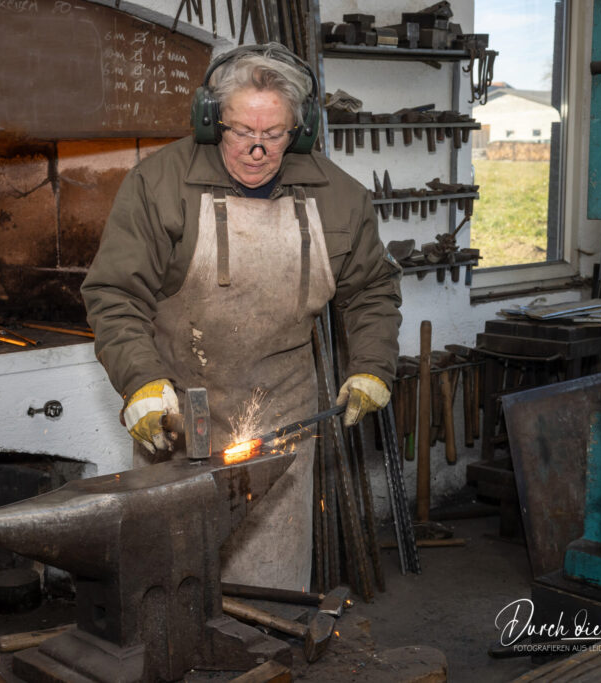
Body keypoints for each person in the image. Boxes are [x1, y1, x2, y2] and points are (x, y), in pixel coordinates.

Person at [81, 43, 401, 590]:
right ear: (211, 122)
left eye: (273, 134)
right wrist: (140, 382)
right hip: (179, 414)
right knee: (169, 584)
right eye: (239, 130)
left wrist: (373, 366)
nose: (256, 148)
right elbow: (116, 293)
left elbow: (372, 289)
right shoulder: (159, 185)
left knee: (269, 588)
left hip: (282, 422)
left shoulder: (340, 198)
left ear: (299, 130)